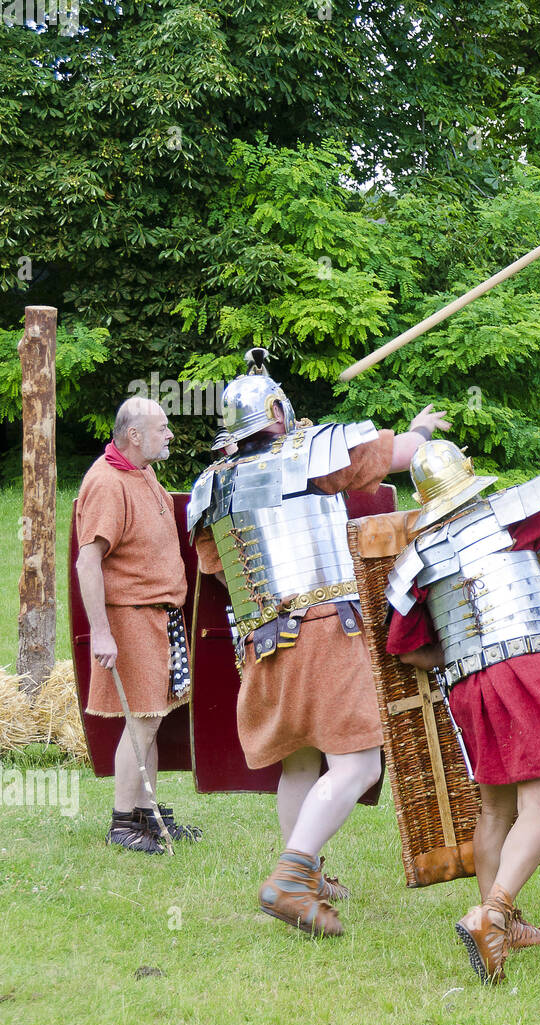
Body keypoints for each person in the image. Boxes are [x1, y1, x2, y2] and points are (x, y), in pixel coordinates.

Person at [188, 348, 450, 937]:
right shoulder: (309, 455)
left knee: (302, 759)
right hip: (327, 628)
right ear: (277, 412)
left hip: (261, 641)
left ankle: (308, 872)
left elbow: (216, 569)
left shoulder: (211, 487)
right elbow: (405, 455)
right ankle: (291, 876)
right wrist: (417, 431)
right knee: (356, 765)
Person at [384, 440, 540, 983]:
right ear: (470, 478)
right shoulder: (514, 515)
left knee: (494, 810)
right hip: (527, 668)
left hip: (468, 685)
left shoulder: (418, 560)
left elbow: (404, 646)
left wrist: (463, 655)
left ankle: (505, 926)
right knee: (539, 807)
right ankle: (493, 913)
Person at [76, 396, 201, 854]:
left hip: (159, 616)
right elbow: (87, 562)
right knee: (143, 719)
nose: (170, 434)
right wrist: (102, 632)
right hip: (131, 616)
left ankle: (147, 816)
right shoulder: (107, 483)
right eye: (163, 427)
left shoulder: (142, 472)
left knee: (152, 717)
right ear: (134, 435)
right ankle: (122, 822)